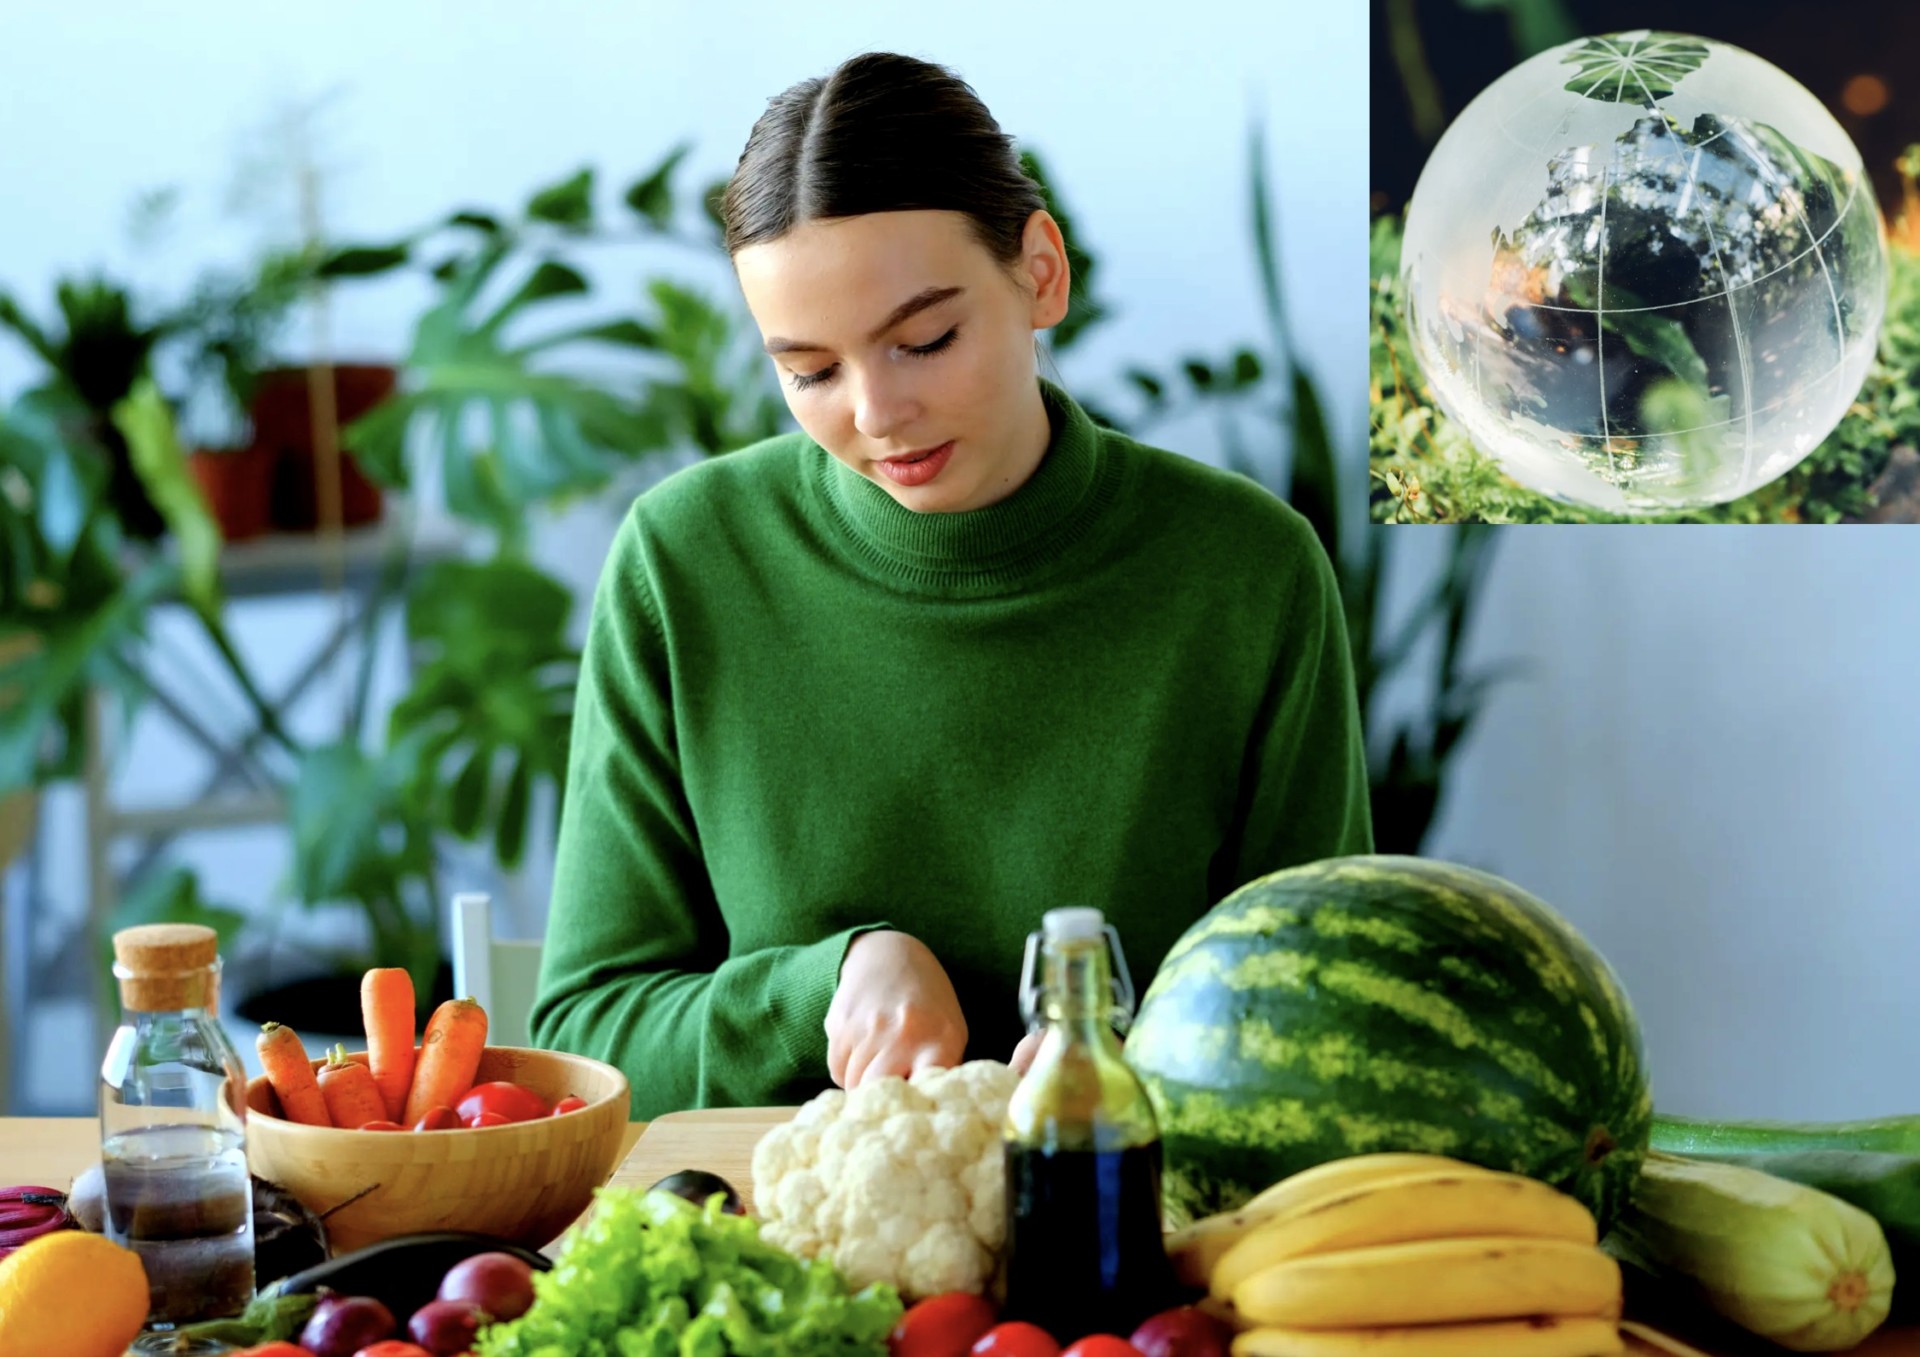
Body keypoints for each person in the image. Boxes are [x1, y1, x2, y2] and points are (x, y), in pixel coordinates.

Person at [531, 50, 1372, 1118]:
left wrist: (1136, 1072)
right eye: (811, 371)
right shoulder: (683, 559)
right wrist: (821, 986)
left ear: (1041, 274)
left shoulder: (1246, 571)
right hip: (775, 1250)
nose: (877, 413)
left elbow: (1326, 1015)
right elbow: (589, 1032)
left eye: (924, 340)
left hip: (1140, 1243)